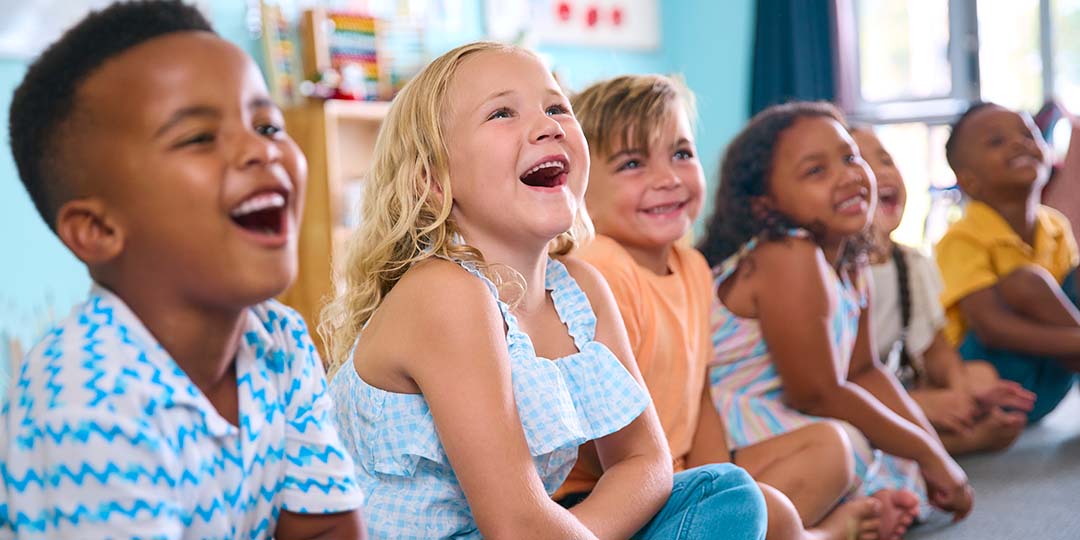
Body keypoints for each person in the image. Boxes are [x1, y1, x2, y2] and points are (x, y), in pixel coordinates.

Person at [321, 42, 767, 539]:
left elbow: (645, 461)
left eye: (556, 107)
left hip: (544, 533)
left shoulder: (580, 289)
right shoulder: (443, 292)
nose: (549, 125)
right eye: (502, 112)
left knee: (725, 494)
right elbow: (513, 523)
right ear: (435, 181)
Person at [0, 1, 365, 538]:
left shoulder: (278, 338)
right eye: (198, 138)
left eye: (267, 125)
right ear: (98, 230)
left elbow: (327, 530)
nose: (259, 151)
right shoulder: (87, 402)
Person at [559, 74, 880, 540]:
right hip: (600, 499)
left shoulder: (690, 267)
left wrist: (717, 487)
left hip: (673, 474)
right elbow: (590, 437)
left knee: (830, 447)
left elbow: (701, 394)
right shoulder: (600, 269)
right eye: (632, 163)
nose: (667, 179)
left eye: (681, 154)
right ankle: (824, 535)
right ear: (579, 184)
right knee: (775, 514)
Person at [699, 101, 975, 538]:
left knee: (879, 452)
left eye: (850, 157)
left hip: (788, 420)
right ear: (765, 202)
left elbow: (864, 371)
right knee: (842, 449)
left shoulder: (850, 257)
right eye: (816, 171)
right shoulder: (786, 255)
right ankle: (828, 525)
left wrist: (935, 453)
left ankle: (843, 512)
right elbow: (819, 393)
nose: (848, 174)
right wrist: (928, 455)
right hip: (727, 438)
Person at [853, 126, 1035, 455]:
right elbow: (834, 384)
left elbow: (934, 347)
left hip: (896, 380)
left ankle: (923, 434)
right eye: (861, 164)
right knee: (850, 427)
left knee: (980, 376)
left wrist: (960, 391)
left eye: (886, 160)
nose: (881, 172)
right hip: (854, 394)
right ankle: (942, 441)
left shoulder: (910, 262)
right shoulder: (838, 273)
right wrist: (919, 403)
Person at [936, 101, 1080, 424]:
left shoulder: (1055, 226)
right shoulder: (961, 237)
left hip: (1053, 376)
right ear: (969, 181)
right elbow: (991, 328)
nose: (1019, 142)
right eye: (996, 142)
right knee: (1027, 282)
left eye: (1028, 134)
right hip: (994, 380)